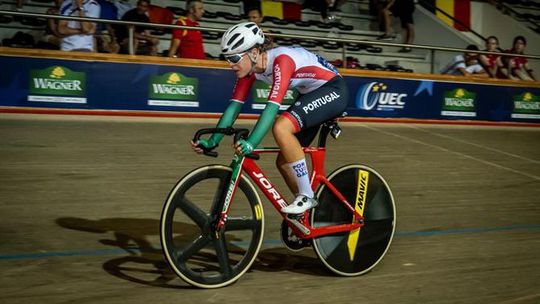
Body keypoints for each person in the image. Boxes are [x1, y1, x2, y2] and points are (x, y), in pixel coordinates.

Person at [191, 22, 348, 214]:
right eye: (227, 59)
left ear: (254, 52)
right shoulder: (249, 71)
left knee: (282, 127)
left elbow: (271, 109)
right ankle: (313, 213)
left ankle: (306, 196)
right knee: (283, 161)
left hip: (334, 89)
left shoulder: (282, 61)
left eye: (234, 58)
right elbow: (234, 107)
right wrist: (213, 140)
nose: (231, 65)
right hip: (310, 94)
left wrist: (251, 143)